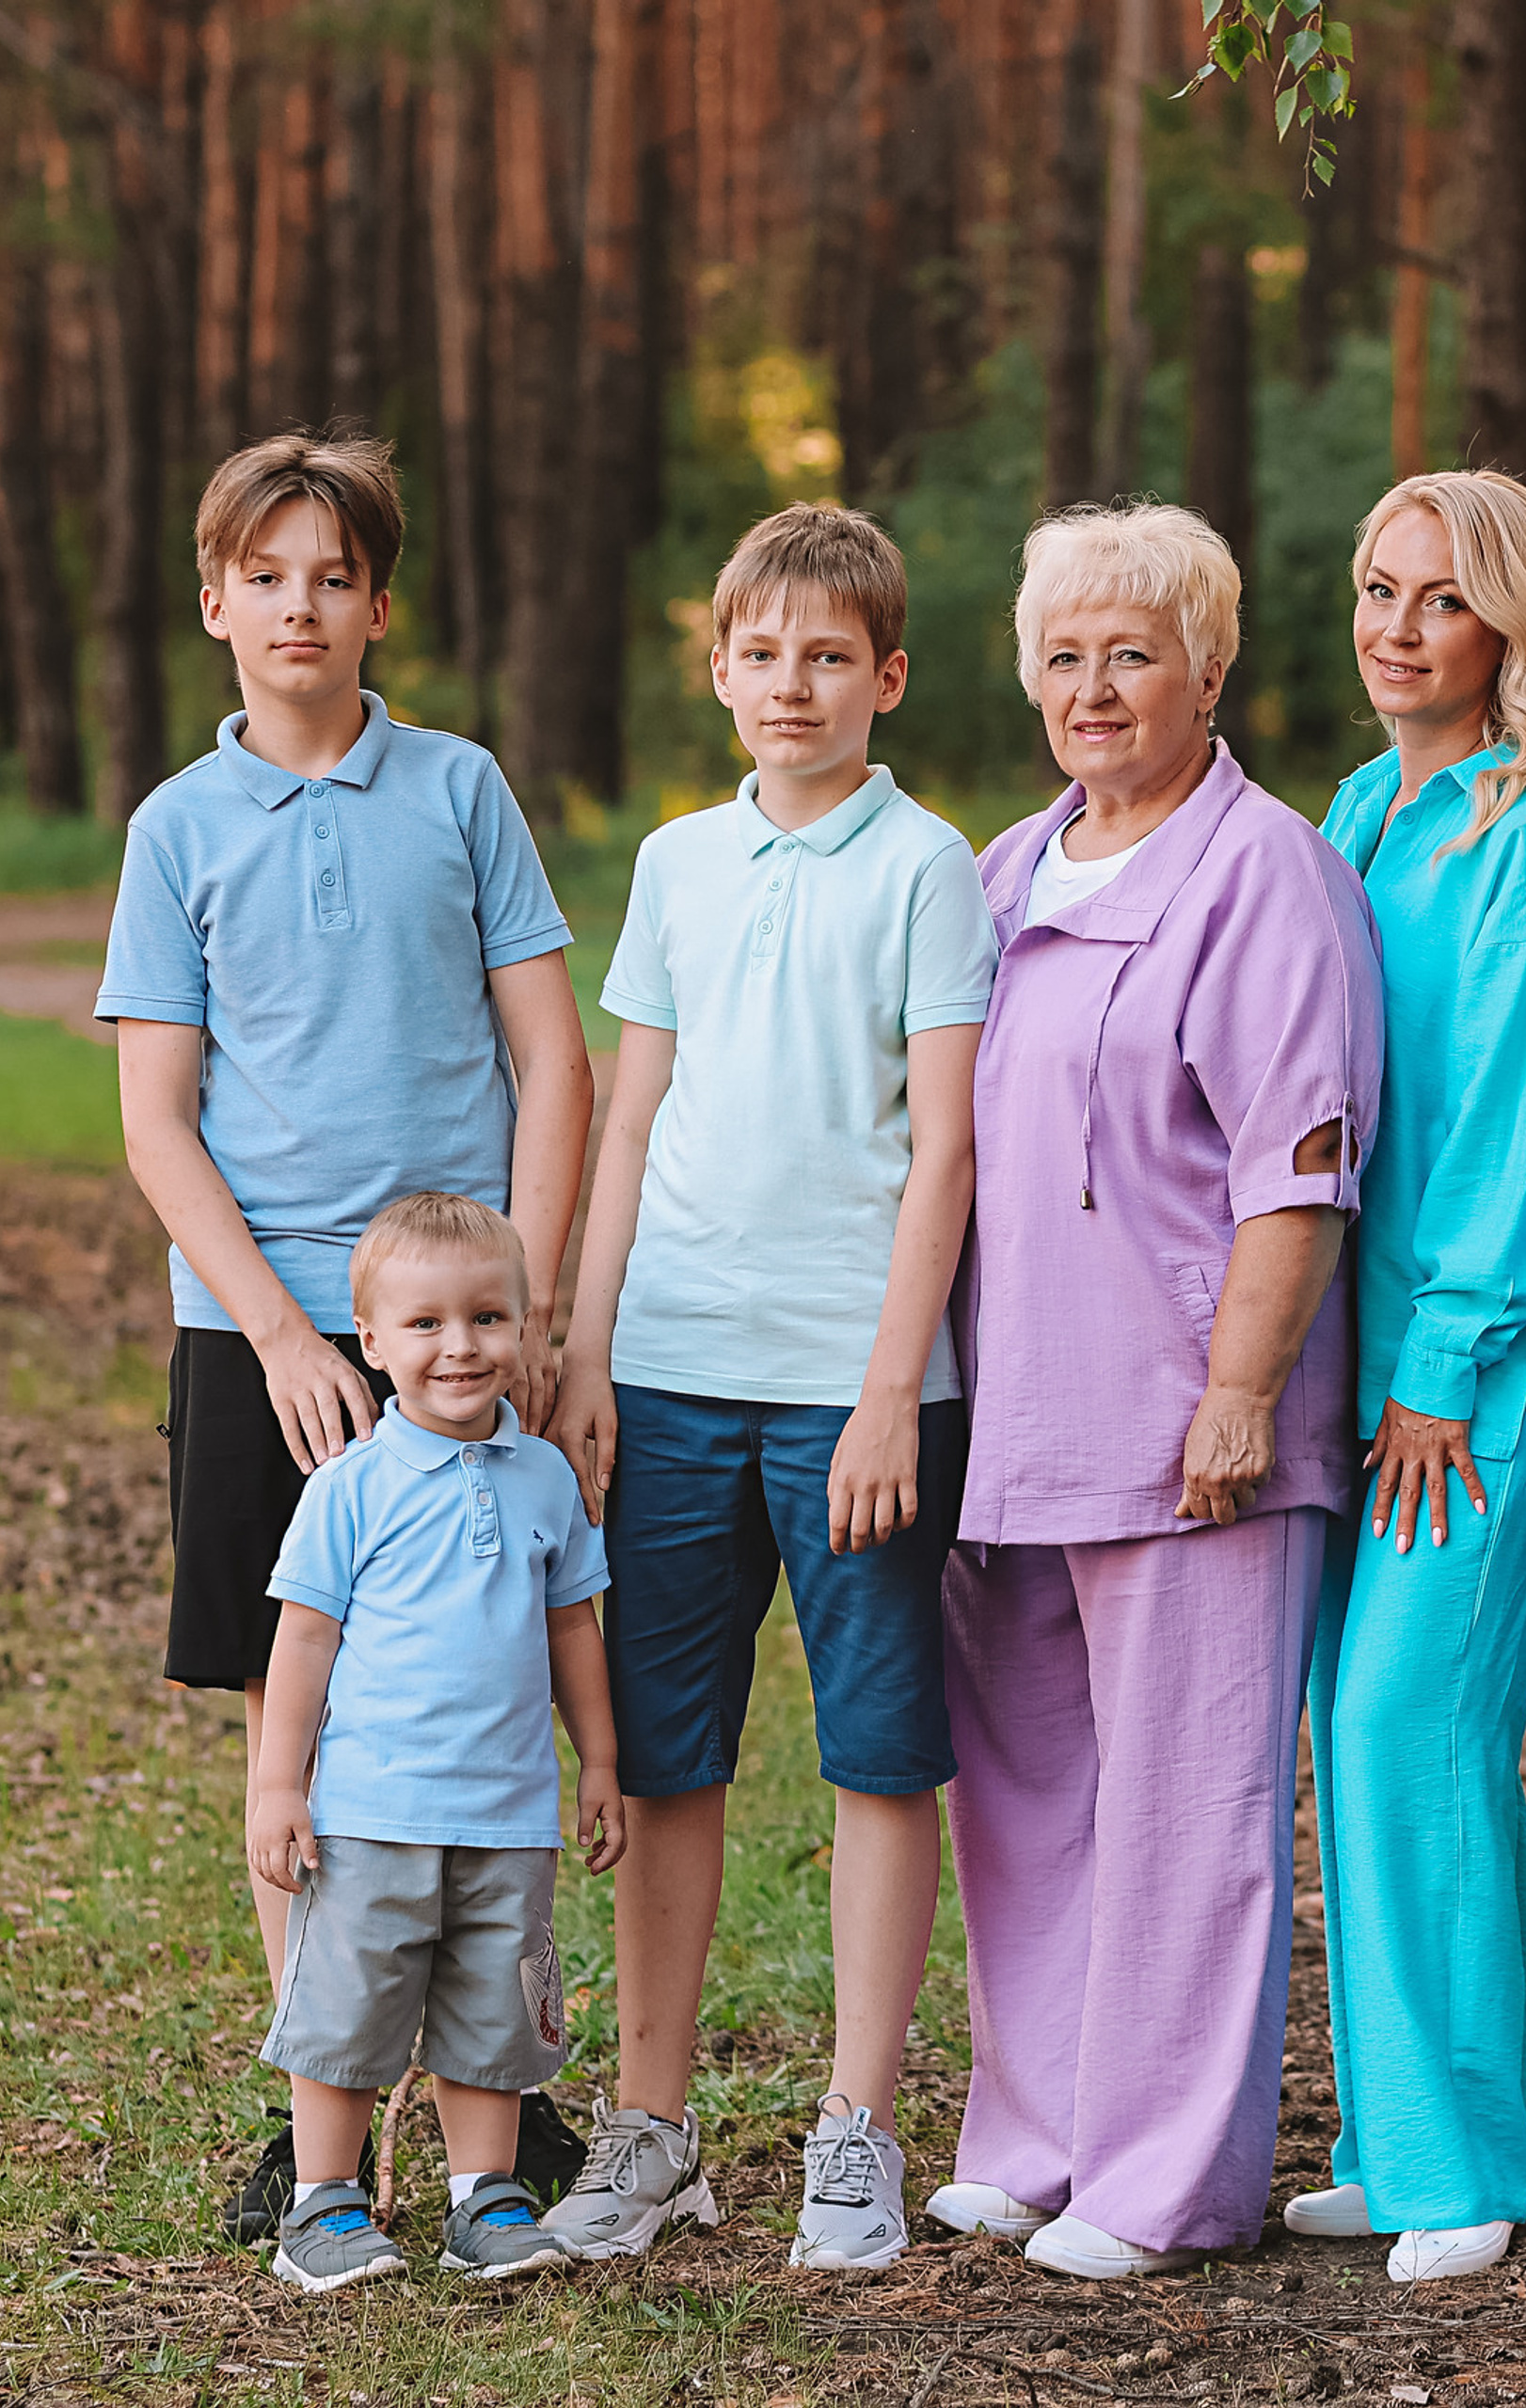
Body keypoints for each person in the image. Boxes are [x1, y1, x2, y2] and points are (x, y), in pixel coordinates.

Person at [97, 431, 596, 2241]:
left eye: (336, 576)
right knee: (291, 1704)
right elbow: (160, 1119)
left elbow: (553, 1057)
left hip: (460, 1325)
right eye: (268, 574)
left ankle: (500, 2119)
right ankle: (331, 2133)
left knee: (487, 1692)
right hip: (265, 1331)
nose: (301, 606)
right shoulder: (175, 827)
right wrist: (287, 1335)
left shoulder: (458, 790)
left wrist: (522, 1305)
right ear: (217, 600)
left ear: (379, 604)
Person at [931, 502, 1383, 2281]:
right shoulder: (1003, 870)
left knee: (1193, 1814)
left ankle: (1166, 2181)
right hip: (1018, 1416)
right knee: (1031, 1796)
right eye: (1063, 655)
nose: (1095, 687)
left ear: (1209, 665)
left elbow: (1300, 1157)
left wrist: (1244, 1387)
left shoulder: (1263, 871)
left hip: (1196, 1424)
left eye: (1134, 651)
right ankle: (1035, 2134)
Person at [541, 503, 994, 2272]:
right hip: (669, 1371)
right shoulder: (672, 863)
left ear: (884, 676)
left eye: (829, 657)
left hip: (855, 1386)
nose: (791, 685)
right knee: (668, 1760)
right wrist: (586, 1349)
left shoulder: (927, 867)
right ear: (720, 668)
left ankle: (855, 2131)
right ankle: (652, 2132)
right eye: (762, 653)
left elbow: (946, 1147)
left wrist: (893, 1388)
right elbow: (630, 1116)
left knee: (881, 1756)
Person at [1282, 472, 1526, 2285]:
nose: (1397, 628)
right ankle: (1388, 2133)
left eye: (1440, 601)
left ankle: (1470, 2154)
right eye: (1378, 589)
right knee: (1349, 1730)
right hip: (1345, 1355)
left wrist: (1442, 1359)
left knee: (1418, 1731)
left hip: (1463, 1374)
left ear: (1512, 627)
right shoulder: (1360, 807)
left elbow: (1508, 1114)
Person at [245, 1194, 620, 2291]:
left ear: (525, 1327)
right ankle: (321, 2203)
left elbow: (571, 1629)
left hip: (507, 1816)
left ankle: (485, 2198)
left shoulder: (547, 1478)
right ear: (371, 1341)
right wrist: (279, 1782)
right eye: (425, 1324)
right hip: (370, 1813)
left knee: (491, 2008)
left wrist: (597, 1760)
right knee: (348, 2009)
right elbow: (303, 1642)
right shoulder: (348, 1487)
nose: (461, 1346)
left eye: (488, 1317)